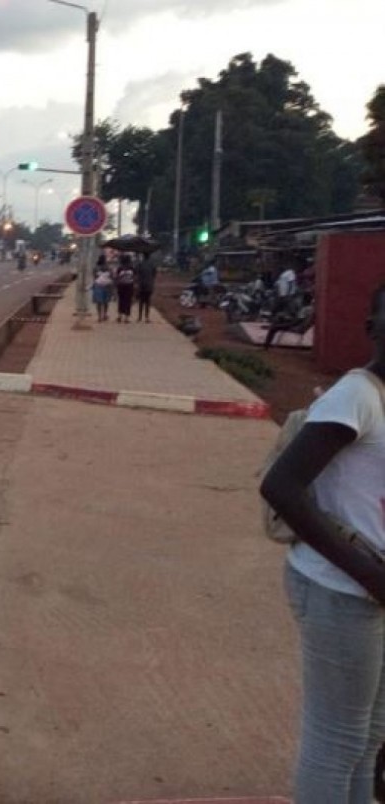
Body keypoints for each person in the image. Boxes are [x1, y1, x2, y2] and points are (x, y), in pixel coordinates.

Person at [262, 283, 385, 803]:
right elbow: (281, 486)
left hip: (373, 592)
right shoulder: (356, 395)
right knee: (336, 740)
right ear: (373, 327)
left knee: (369, 738)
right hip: (339, 588)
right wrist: (368, 573)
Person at [135, 252, 158, 323]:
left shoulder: (140, 264)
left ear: (143, 256)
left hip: (141, 285)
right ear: (149, 256)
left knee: (141, 302)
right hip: (149, 285)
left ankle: (139, 317)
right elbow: (154, 273)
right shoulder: (152, 264)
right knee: (147, 302)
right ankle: (147, 317)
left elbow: (136, 272)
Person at [114, 254, 137, 323]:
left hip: (121, 286)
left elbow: (117, 277)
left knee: (121, 301)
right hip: (129, 286)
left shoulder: (120, 268)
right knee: (128, 301)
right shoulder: (132, 268)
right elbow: (134, 277)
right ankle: (126, 318)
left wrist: (116, 285)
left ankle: (119, 316)